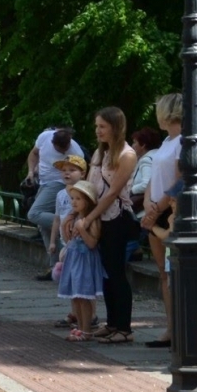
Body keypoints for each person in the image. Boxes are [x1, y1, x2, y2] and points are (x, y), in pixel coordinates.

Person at [81, 107, 137, 343]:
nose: (98, 131)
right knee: (105, 274)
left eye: (102, 126)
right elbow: (91, 185)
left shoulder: (127, 155)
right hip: (99, 216)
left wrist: (90, 217)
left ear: (115, 127)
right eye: (97, 126)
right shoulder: (100, 153)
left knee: (116, 272)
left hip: (116, 218)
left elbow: (113, 193)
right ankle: (111, 321)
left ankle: (124, 328)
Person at [142, 94, 184, 349]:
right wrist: (148, 202)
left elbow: (179, 180)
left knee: (174, 273)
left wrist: (158, 207)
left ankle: (178, 328)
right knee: (163, 274)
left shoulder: (183, 142)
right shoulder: (168, 140)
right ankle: (170, 327)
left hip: (168, 213)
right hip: (155, 211)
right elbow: (154, 178)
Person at [25, 125, 87, 279]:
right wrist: (31, 172)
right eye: (59, 149)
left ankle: (65, 222)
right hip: (44, 182)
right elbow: (33, 154)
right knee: (42, 224)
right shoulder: (44, 138)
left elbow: (80, 172)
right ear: (52, 142)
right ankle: (56, 265)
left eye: (64, 149)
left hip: (59, 183)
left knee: (34, 214)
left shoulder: (76, 151)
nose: (62, 152)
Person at [56, 179, 105, 343]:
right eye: (72, 198)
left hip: (85, 260)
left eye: (78, 199)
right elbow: (69, 238)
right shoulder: (74, 217)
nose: (74, 202)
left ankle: (86, 329)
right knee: (75, 296)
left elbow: (92, 243)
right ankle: (80, 325)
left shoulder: (90, 221)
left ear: (88, 201)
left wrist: (82, 228)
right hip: (74, 257)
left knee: (84, 295)